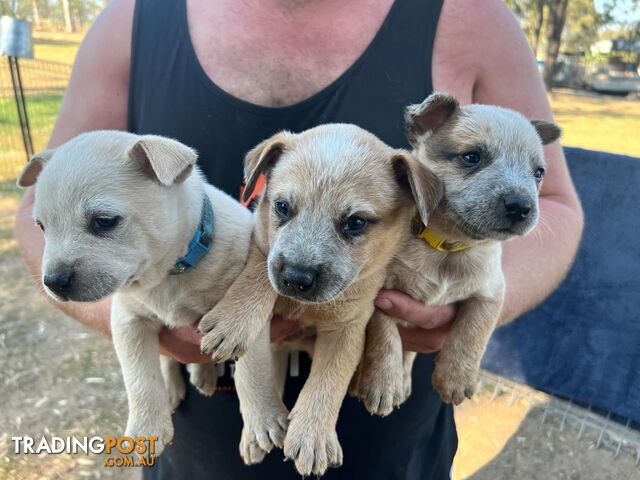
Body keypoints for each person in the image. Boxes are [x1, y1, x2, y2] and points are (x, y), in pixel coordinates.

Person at [15, 0, 584, 478]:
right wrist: (150, 319)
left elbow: (551, 202)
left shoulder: (476, 18)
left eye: (354, 222)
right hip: (191, 434)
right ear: (258, 181)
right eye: (280, 208)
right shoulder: (128, 20)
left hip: (390, 445)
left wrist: (453, 317)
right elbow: (46, 205)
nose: (301, 261)